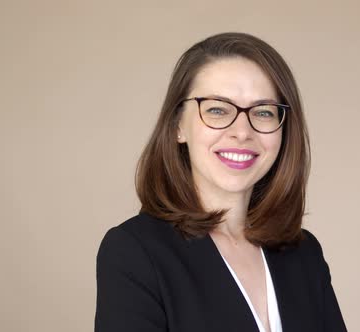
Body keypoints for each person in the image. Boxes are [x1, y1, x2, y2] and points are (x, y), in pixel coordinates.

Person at [95, 32, 347, 332]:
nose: (242, 131)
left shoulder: (304, 253)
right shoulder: (135, 252)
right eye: (217, 109)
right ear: (178, 126)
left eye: (263, 112)